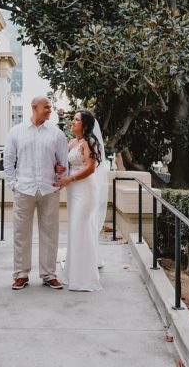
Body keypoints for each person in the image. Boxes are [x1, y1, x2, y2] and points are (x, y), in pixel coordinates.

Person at [4, 96, 69, 290]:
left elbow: (63, 163)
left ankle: (49, 274)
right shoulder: (16, 132)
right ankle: (21, 274)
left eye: (50, 107)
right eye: (46, 107)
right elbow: (8, 161)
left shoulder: (57, 134)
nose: (50, 110)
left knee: (50, 233)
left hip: (49, 189)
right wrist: (13, 184)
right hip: (23, 189)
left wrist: (59, 178)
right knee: (20, 233)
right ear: (34, 108)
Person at [56, 111, 108, 292]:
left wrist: (69, 179)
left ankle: (84, 278)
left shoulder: (90, 142)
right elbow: (66, 164)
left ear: (85, 125)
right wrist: (60, 169)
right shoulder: (72, 143)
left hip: (86, 189)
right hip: (73, 191)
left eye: (77, 120)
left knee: (81, 228)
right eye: (74, 119)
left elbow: (91, 168)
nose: (73, 122)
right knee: (74, 229)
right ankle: (73, 273)